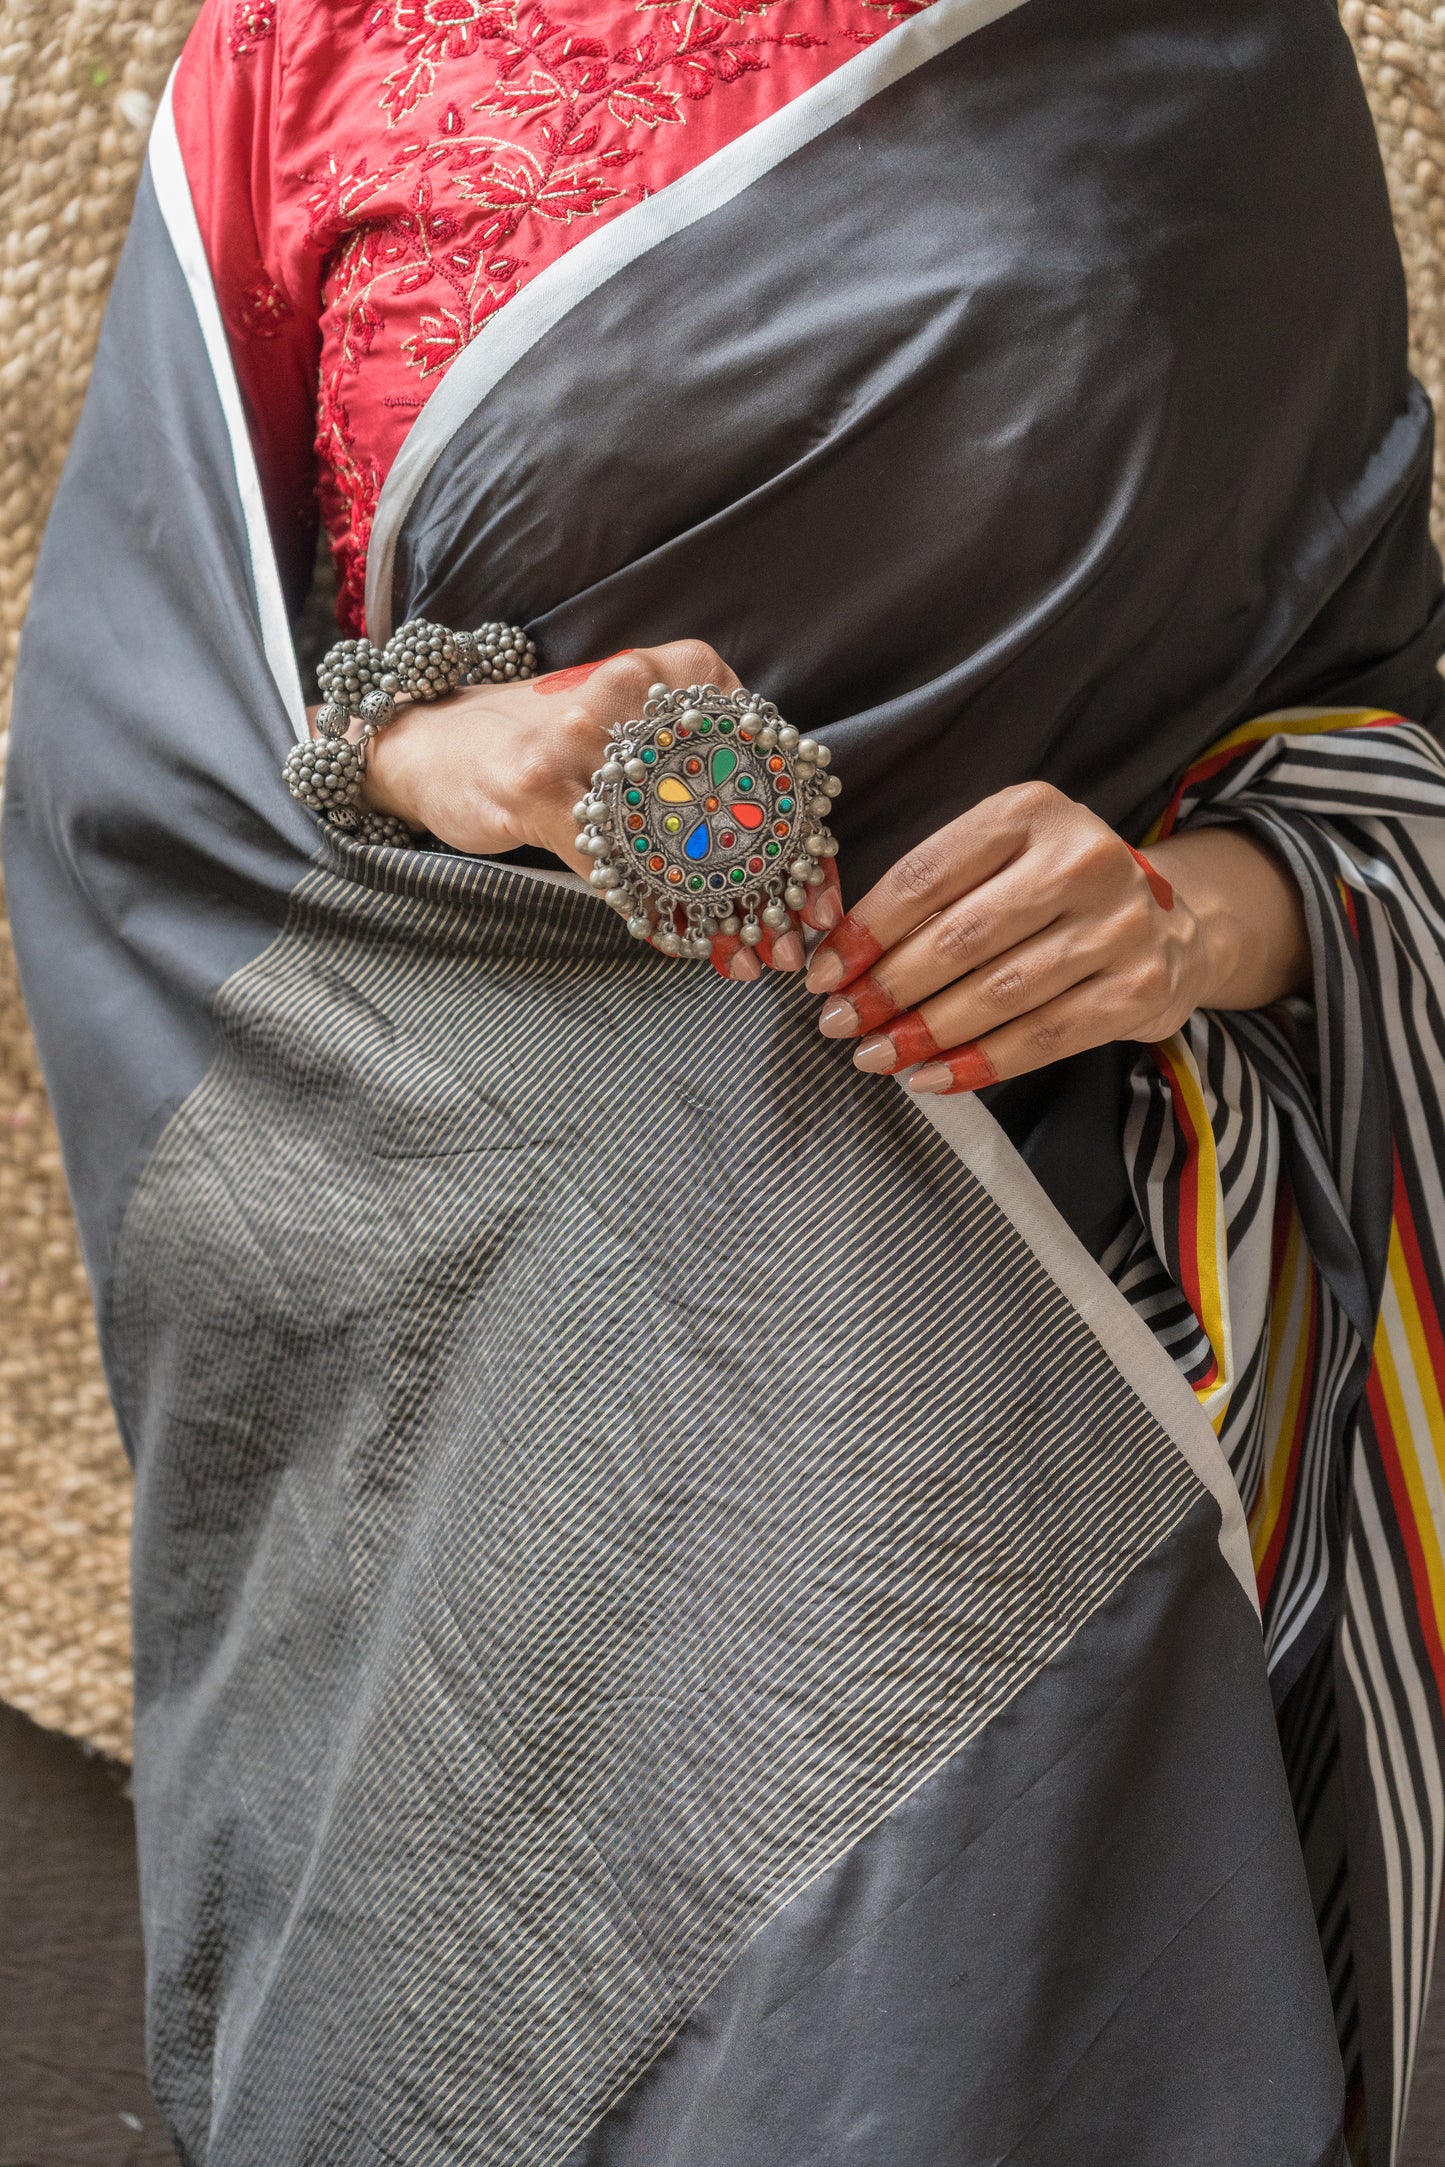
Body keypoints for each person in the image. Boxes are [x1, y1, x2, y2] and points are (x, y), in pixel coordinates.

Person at [7, 0, 1445, 2157]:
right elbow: (131, 737)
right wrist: (416, 745)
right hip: (467, 1409)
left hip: (1004, 1377)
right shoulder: (310, 52)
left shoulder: (1176, 50)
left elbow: (1377, 711)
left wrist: (1195, 916)